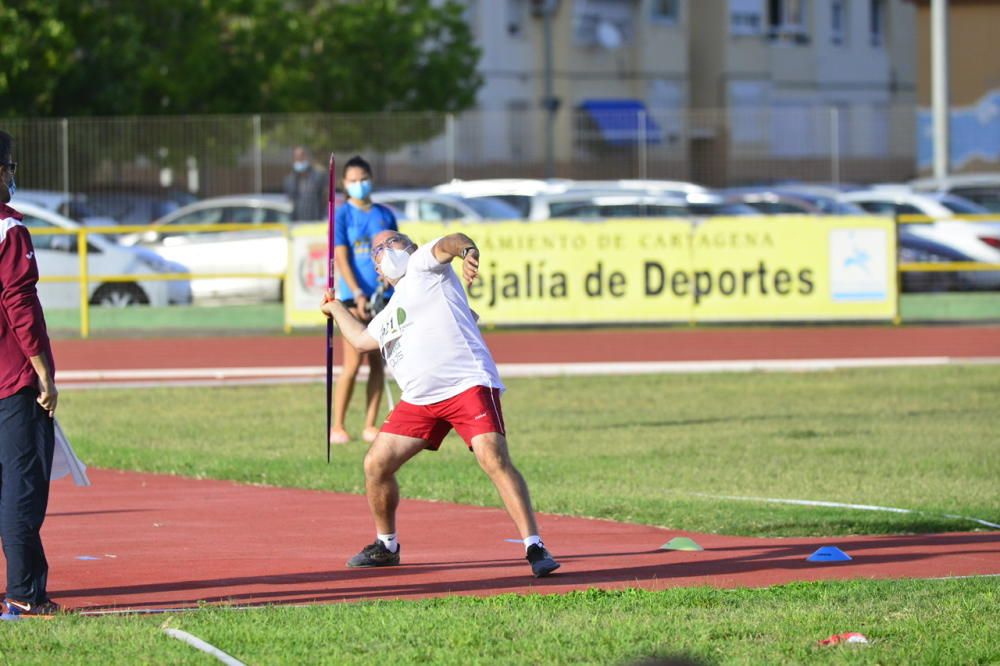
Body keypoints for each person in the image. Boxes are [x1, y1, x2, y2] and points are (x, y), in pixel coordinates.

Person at [320, 229, 560, 578]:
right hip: (420, 400)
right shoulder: (388, 313)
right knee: (376, 463)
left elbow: (451, 241)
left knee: (492, 457)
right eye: (377, 251)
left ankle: (534, 546)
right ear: (378, 272)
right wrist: (334, 307)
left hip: (466, 384)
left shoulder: (423, 265)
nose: (386, 251)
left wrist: (468, 251)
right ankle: (386, 546)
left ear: (411, 246)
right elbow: (359, 340)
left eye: (393, 242)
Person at [0, 130, 61, 619]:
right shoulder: (9, 230)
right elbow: (19, 302)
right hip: (11, 378)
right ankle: (23, 591)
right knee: (21, 486)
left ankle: (30, 586)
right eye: (11, 167)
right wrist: (44, 371)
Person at [329, 156, 398, 445]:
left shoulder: (384, 214)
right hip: (352, 298)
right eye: (353, 180)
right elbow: (342, 257)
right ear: (345, 184)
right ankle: (338, 425)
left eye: (363, 178)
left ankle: (370, 424)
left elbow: (395, 252)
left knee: (377, 365)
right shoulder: (343, 214)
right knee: (352, 363)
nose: (359, 184)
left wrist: (389, 281)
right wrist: (355, 292)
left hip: (382, 299)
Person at [282, 146, 326, 222]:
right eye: (297, 157)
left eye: (302, 156)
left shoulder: (319, 177)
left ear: (307, 157)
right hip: (297, 222)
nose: (300, 160)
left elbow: (324, 197)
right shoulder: (289, 180)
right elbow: (290, 200)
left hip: (315, 221)